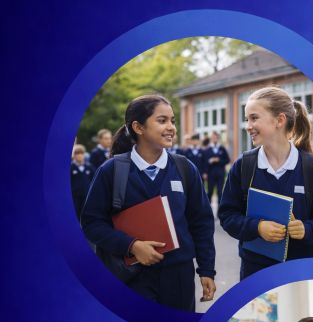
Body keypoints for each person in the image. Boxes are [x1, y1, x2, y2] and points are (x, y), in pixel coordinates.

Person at [81, 95, 216, 311]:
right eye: (162, 121)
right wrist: (132, 246)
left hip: (179, 277)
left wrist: (207, 270)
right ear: (138, 127)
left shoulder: (185, 169)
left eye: (172, 120)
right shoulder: (111, 171)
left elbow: (201, 223)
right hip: (130, 278)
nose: (171, 127)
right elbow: (92, 223)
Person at [218, 87, 313, 280]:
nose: (248, 125)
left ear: (279, 120)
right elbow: (227, 215)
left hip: (300, 273)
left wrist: (306, 230)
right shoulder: (244, 165)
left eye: (254, 118)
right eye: (247, 119)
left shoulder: (311, 168)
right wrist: (257, 227)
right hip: (254, 273)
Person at [203, 131, 229, 202]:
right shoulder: (207, 150)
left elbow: (227, 160)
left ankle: (220, 212)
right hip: (210, 174)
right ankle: (208, 211)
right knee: (210, 191)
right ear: (211, 138)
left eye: (216, 137)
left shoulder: (222, 148)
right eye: (213, 137)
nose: (214, 139)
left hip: (220, 173)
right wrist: (205, 172)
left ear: (218, 138)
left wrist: (219, 160)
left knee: (220, 192)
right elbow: (204, 162)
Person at [70, 144, 94, 218]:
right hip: (75, 196)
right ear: (74, 155)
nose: (79, 156)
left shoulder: (89, 166)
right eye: (77, 154)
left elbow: (93, 179)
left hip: (86, 194)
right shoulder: (71, 167)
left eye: (81, 153)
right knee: (75, 212)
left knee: (85, 213)